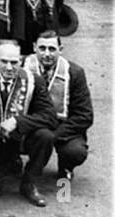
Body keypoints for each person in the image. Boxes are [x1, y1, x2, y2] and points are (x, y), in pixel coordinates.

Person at [0, 40, 57, 207]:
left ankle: (29, 182)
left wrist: (18, 121)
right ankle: (4, 165)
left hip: (20, 139)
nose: (9, 68)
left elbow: (50, 116)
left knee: (45, 136)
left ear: (21, 60)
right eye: (4, 61)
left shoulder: (33, 80)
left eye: (14, 62)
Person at [24, 30, 92, 187]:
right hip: (32, 123)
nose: (47, 54)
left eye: (52, 49)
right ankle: (11, 160)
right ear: (34, 47)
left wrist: (55, 134)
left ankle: (66, 166)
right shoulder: (23, 67)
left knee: (75, 151)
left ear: (60, 50)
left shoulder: (74, 72)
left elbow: (85, 115)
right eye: (42, 48)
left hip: (61, 126)